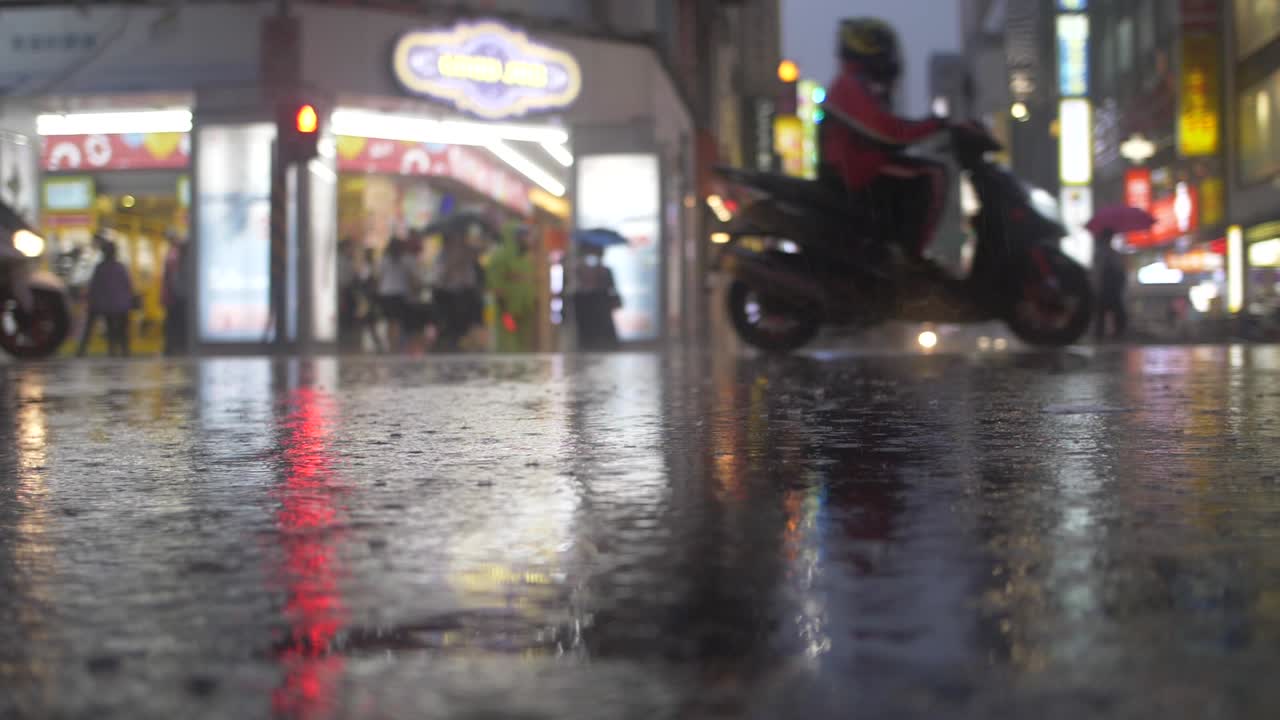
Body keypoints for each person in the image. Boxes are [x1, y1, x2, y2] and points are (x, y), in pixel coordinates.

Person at [821, 18, 950, 269]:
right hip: (856, 173)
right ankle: (911, 261)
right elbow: (888, 132)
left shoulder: (858, 83)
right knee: (932, 174)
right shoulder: (849, 84)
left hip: (858, 170)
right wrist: (936, 125)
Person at [78, 240, 135, 357]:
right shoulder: (120, 268)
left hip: (102, 305)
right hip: (120, 306)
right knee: (121, 329)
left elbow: (93, 287)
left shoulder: (100, 268)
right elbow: (128, 286)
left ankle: (84, 350)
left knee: (98, 325)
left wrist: (89, 301)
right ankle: (124, 351)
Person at [432, 226, 484, 352]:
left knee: (470, 322)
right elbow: (440, 276)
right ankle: (453, 343)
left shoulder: (468, 251)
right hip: (450, 293)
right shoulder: (443, 254)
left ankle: (470, 343)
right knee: (453, 323)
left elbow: (479, 254)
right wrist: (453, 264)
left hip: (467, 291)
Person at [487, 223, 536, 352]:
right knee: (508, 336)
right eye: (524, 236)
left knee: (524, 339)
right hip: (507, 309)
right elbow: (495, 282)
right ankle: (509, 367)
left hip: (524, 308)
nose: (528, 240)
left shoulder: (525, 258)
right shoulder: (500, 257)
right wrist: (502, 301)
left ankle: (523, 365)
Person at [571, 245, 620, 351]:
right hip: (587, 303)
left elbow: (611, 286)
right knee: (589, 329)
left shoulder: (604, 270)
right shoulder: (579, 268)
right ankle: (590, 345)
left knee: (600, 327)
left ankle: (600, 345)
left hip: (598, 302)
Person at [376, 238, 417, 352]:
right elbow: (411, 278)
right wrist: (413, 292)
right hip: (399, 293)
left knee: (390, 321)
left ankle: (391, 345)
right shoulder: (406, 260)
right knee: (398, 321)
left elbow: (380, 278)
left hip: (386, 293)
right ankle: (395, 345)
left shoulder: (384, 260)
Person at [1093, 228, 1128, 341]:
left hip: (1108, 289)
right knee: (1109, 313)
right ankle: (1108, 335)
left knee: (1107, 313)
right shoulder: (1105, 254)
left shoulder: (1107, 253)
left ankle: (1106, 335)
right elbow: (1100, 271)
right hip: (1108, 289)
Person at [161, 231, 190, 356]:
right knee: (177, 323)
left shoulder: (173, 255)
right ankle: (175, 347)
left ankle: (172, 347)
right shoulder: (176, 256)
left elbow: (171, 279)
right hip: (179, 297)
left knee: (173, 323)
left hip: (175, 296)